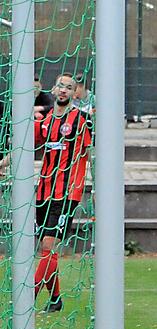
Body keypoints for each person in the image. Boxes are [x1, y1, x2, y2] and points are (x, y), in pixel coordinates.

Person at [32, 73, 93, 313]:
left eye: (70, 87)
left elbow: (91, 153)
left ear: (75, 93)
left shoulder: (81, 120)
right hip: (43, 191)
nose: (64, 90)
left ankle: (30, 296)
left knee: (48, 246)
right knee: (47, 250)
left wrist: (96, 186)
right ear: (54, 89)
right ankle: (55, 299)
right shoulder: (45, 120)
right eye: (61, 86)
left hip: (67, 193)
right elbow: (27, 145)